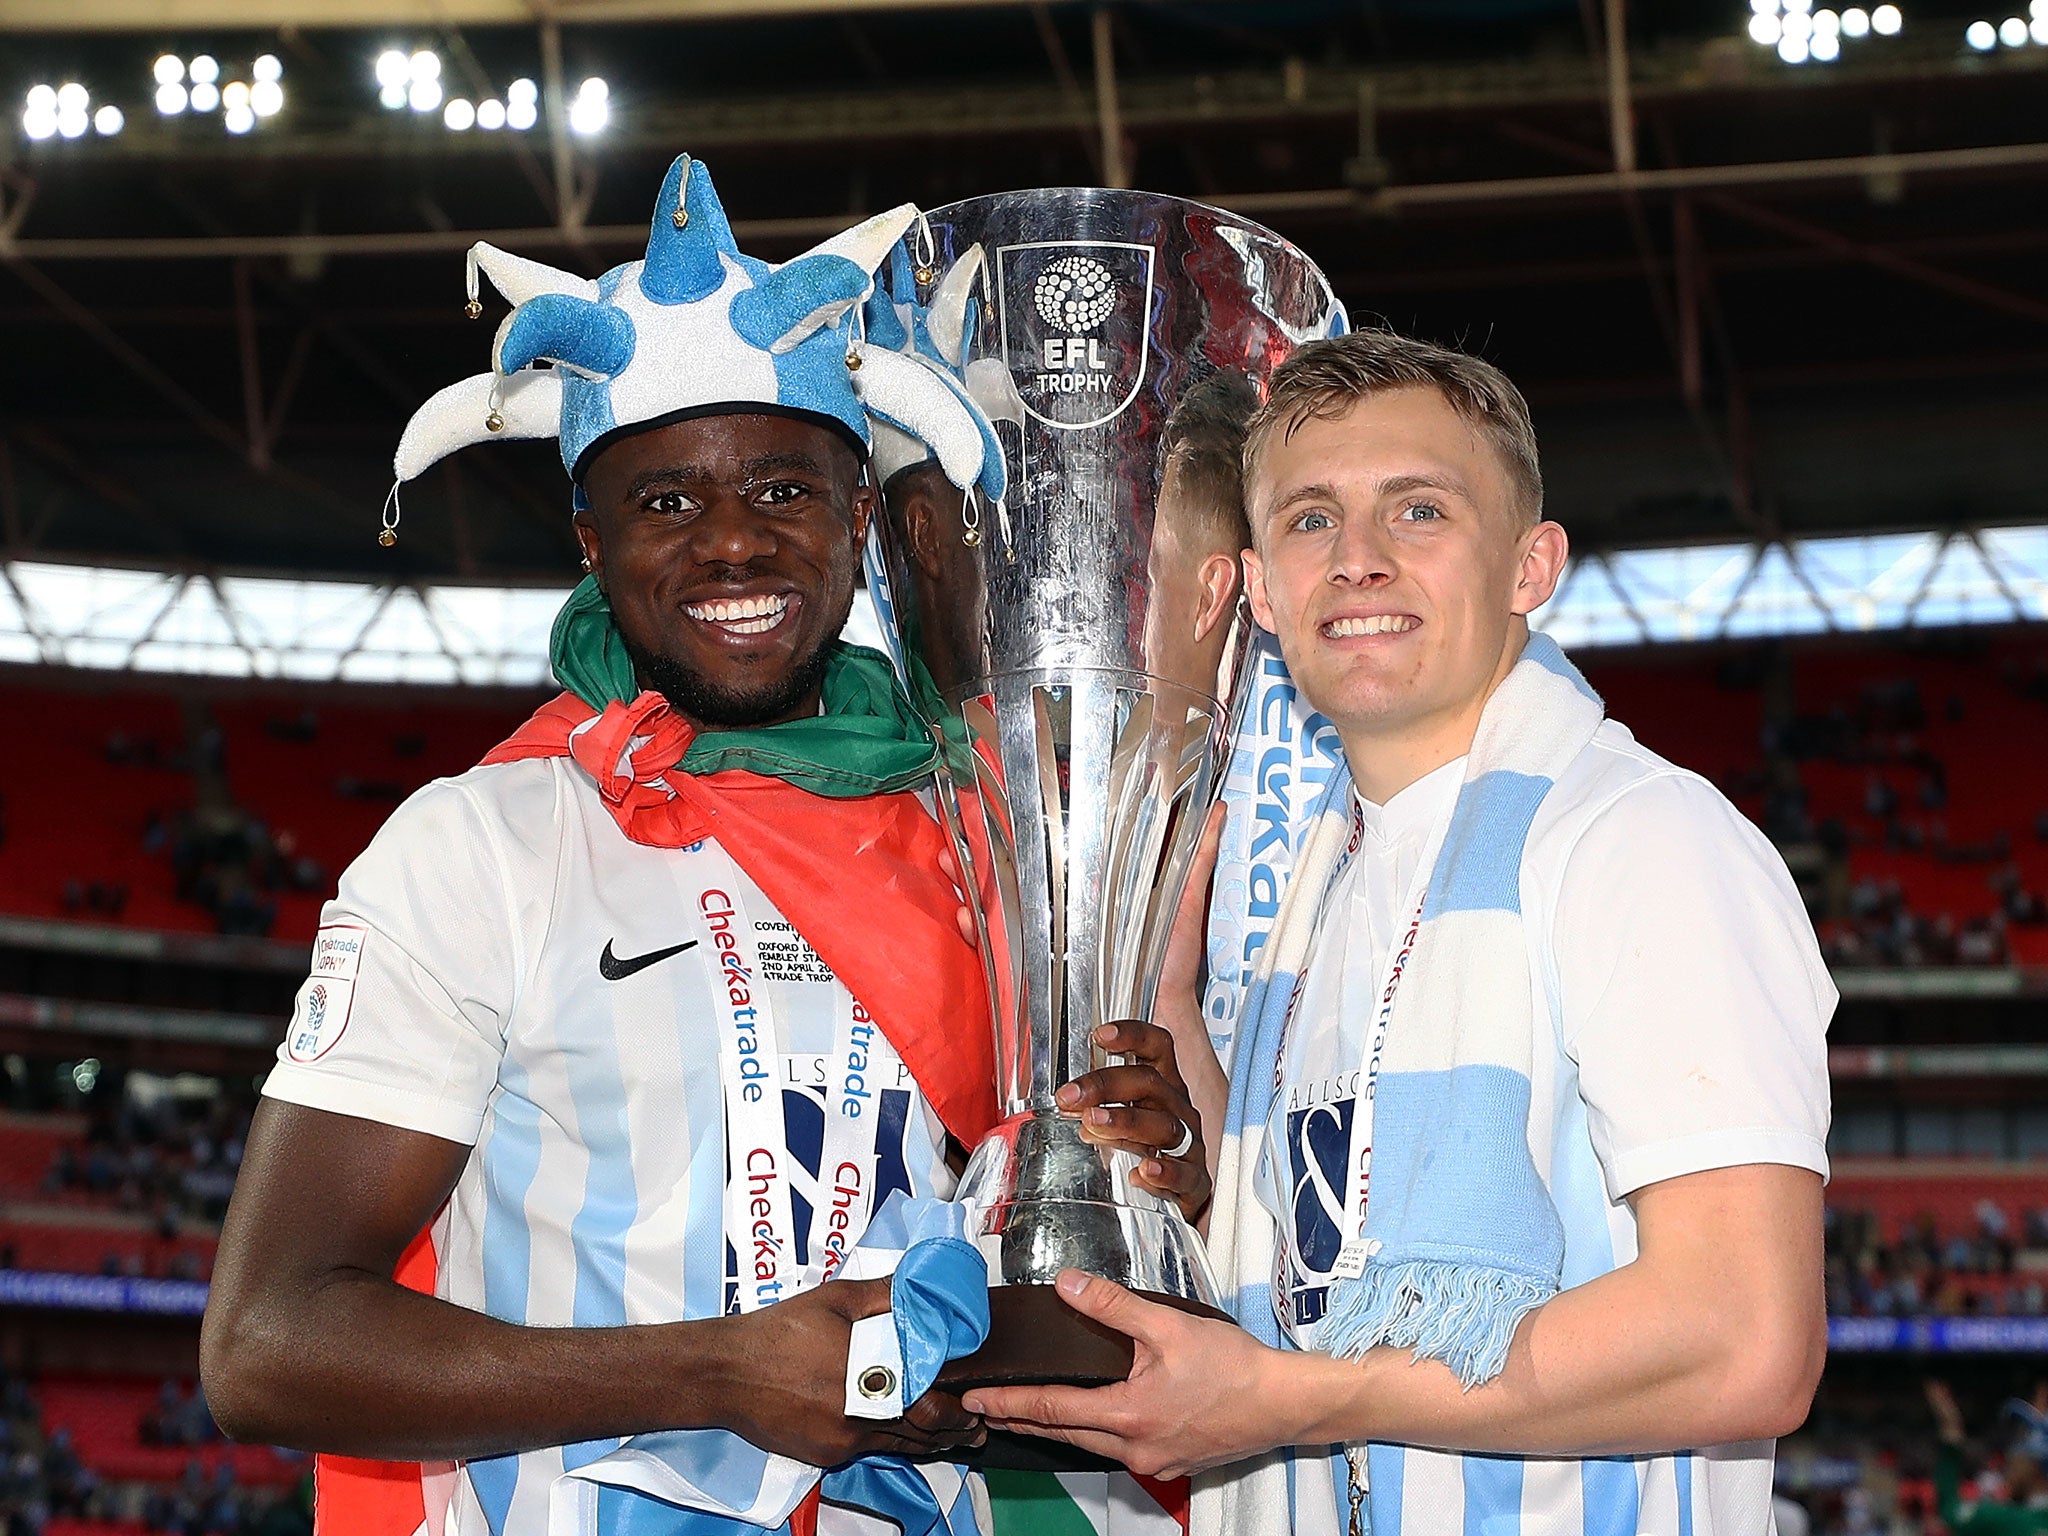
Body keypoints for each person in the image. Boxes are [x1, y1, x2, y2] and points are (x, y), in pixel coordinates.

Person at [199, 154, 1210, 1536]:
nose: (733, 543)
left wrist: (1155, 1178)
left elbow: (1063, 1254)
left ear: (862, 517)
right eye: (666, 502)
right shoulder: (487, 844)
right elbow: (266, 1345)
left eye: (786, 491)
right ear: (589, 540)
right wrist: (716, 1374)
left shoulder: (996, 836)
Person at [962, 330, 1835, 1536]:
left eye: (1416, 510)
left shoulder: (1638, 840)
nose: (1357, 561)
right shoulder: (1323, 878)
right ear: (1259, 591)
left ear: (1530, 566)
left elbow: (1744, 1343)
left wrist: (1284, 1401)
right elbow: (1315, 1240)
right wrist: (1162, 990)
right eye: (1311, 520)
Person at [1926, 1380, 2048, 1535]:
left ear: (2035, 1467)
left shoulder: (2003, 1520)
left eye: (2019, 1457)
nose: (2010, 1465)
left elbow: (1950, 1508)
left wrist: (1951, 1432)